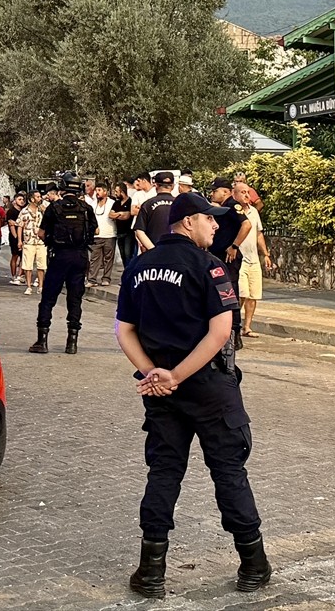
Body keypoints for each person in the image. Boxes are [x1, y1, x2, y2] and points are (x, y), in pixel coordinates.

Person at [114, 191, 271, 598]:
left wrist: (155, 375)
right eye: (210, 219)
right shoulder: (210, 268)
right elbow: (220, 333)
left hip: (162, 390)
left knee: (164, 472)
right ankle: (253, 566)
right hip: (207, 387)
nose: (217, 226)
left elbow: (124, 331)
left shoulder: (137, 266)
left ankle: (151, 573)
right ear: (187, 222)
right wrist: (177, 376)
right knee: (229, 472)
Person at [29, 172, 96, 355]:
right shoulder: (85, 208)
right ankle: (71, 342)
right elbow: (95, 230)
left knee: (48, 298)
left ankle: (42, 341)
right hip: (80, 256)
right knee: (75, 299)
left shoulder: (54, 207)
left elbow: (41, 233)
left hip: (59, 256)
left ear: (63, 186)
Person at [208, 178, 253, 349]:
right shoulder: (223, 208)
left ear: (225, 191)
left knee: (229, 294)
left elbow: (246, 225)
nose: (212, 194)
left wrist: (234, 246)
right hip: (218, 256)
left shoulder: (233, 205)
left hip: (229, 258)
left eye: (215, 190)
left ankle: (234, 334)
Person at [236, 185, 271, 339]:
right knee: (242, 293)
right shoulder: (234, 212)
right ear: (234, 194)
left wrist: (266, 254)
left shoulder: (254, 212)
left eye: (247, 192)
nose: (246, 195)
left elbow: (258, 233)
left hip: (253, 258)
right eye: (242, 192)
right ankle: (234, 323)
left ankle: (247, 327)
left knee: (253, 295)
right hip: (240, 258)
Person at [135, 172, 177, 254]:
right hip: (176, 252)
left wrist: (153, 250)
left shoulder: (147, 204)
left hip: (153, 253)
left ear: (156, 185)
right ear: (172, 186)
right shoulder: (181, 203)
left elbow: (139, 230)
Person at [87, 182, 117, 287]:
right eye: (96, 190)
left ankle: (106, 278)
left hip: (110, 235)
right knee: (94, 258)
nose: (97, 193)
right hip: (96, 236)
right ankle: (92, 279)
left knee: (108, 258)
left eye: (99, 190)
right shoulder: (92, 204)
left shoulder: (112, 203)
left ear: (105, 192)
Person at [19, 191, 48, 296]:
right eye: (37, 197)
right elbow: (20, 225)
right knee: (28, 265)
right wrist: (19, 240)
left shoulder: (42, 210)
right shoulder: (24, 211)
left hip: (41, 241)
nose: (40, 198)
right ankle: (29, 286)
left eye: (40, 196)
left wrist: (45, 211)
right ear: (31, 199)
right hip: (29, 241)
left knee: (41, 265)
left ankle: (40, 286)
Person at [111, 183, 135, 268]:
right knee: (123, 256)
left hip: (128, 233)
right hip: (119, 233)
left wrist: (117, 215)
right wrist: (120, 214)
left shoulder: (130, 202)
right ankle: (126, 272)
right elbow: (110, 215)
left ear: (122, 191)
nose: (115, 193)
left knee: (128, 254)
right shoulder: (116, 203)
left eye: (117, 191)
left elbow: (128, 215)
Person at [6, 192, 26, 285]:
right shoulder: (11, 211)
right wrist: (16, 237)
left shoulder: (24, 211)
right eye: (19, 199)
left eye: (22, 199)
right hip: (15, 236)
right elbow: (11, 224)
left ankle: (20, 275)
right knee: (15, 255)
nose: (21, 201)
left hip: (24, 235)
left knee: (23, 256)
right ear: (15, 200)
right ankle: (13, 275)